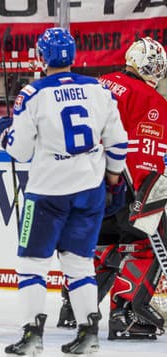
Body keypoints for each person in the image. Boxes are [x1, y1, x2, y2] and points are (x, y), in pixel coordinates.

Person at [0, 27, 128, 357]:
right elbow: (118, 143)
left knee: (31, 264)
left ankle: (32, 338)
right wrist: (113, 177)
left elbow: (20, 152)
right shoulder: (98, 89)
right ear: (73, 56)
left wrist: (3, 132)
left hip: (48, 193)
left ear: (42, 57)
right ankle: (88, 336)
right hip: (89, 189)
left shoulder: (32, 94)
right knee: (78, 263)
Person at [57, 37, 167, 340]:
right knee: (144, 241)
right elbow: (143, 153)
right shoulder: (149, 98)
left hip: (75, 185)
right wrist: (146, 203)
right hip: (117, 187)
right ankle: (128, 314)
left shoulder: (97, 83)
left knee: (102, 243)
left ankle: (75, 303)